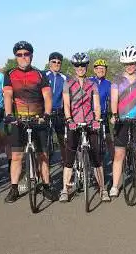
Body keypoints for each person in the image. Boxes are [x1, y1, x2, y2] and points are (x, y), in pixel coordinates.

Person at [3, 41, 56, 203]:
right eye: (19, 55)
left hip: (38, 119)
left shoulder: (40, 74)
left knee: (43, 155)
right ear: (16, 57)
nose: (23, 57)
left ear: (31, 56)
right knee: (17, 156)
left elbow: (47, 96)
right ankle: (14, 188)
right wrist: (9, 114)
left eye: (26, 54)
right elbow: (8, 96)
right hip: (18, 121)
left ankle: (46, 187)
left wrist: (47, 114)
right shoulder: (10, 74)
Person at [59, 53, 110, 202]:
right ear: (74, 67)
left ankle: (102, 189)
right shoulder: (68, 83)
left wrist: (96, 119)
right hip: (73, 122)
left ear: (87, 66)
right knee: (69, 158)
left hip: (89, 121)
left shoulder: (92, 84)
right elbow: (66, 104)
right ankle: (65, 189)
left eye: (83, 65)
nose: (80, 68)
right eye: (77, 65)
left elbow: (97, 104)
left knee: (97, 157)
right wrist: (69, 119)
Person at [109, 45, 136, 198]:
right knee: (119, 153)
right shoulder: (117, 80)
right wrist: (114, 114)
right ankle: (115, 186)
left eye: (132, 63)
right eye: (127, 64)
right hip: (121, 120)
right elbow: (114, 99)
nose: (129, 67)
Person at [44, 52, 67, 164]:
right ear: (49, 63)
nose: (56, 64)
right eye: (54, 62)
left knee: (62, 140)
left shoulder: (64, 77)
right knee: (44, 142)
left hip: (59, 112)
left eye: (59, 62)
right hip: (45, 112)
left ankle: (65, 164)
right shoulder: (43, 75)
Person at [89, 59, 113, 162]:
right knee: (89, 138)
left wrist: (113, 114)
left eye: (103, 68)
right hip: (89, 115)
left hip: (103, 114)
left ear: (106, 70)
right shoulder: (89, 81)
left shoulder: (108, 83)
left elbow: (112, 99)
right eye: (98, 68)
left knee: (108, 138)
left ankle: (114, 160)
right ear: (94, 70)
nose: (100, 70)